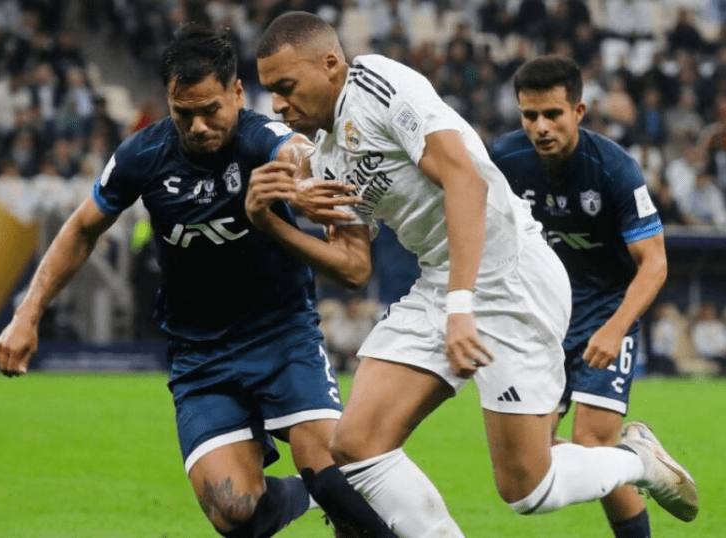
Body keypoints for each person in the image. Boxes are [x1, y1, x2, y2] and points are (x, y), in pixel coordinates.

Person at [248, 12, 699, 537]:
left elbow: (466, 180)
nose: (277, 104)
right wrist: (270, 222)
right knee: (355, 444)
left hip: (511, 278)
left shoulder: (379, 84)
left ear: (330, 64)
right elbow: (353, 266)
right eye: (270, 91)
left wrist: (462, 306)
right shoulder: (326, 157)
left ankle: (635, 459)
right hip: (442, 281)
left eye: (286, 87)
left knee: (528, 490)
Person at [0, 24, 396, 538]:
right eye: (184, 114)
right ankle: (303, 491)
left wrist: (300, 183)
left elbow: (295, 151)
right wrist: (26, 315)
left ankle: (339, 498)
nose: (199, 126)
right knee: (235, 512)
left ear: (236, 92)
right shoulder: (143, 156)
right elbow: (81, 229)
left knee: (337, 477)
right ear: (169, 101)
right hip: (201, 354)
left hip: (281, 334)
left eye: (210, 110)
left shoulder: (259, 137)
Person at [489, 55, 671, 538]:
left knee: (592, 443)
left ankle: (627, 465)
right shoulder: (502, 160)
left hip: (604, 313)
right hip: (539, 318)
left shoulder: (614, 169)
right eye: (530, 116)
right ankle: (637, 458)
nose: (541, 127)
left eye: (553, 114)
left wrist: (615, 328)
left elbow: (654, 263)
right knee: (532, 465)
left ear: (579, 111)